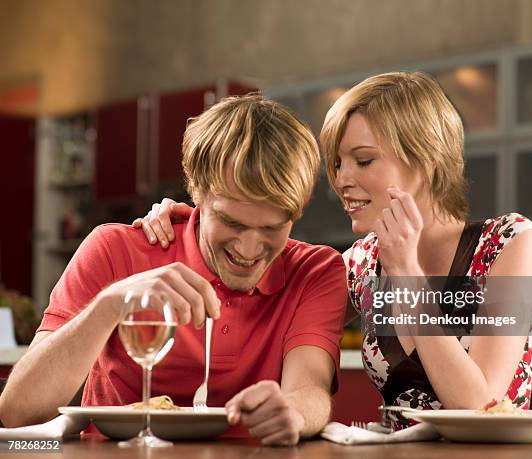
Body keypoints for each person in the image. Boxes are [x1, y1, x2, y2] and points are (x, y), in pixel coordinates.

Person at [132, 72, 532, 430]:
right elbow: (267, 279)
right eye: (337, 163)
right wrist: (203, 218)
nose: (341, 180)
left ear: (426, 159)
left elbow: (481, 407)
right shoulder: (361, 264)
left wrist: (406, 272)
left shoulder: (509, 242)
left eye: (363, 161)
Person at [0, 95, 348, 446]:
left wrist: (295, 413)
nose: (248, 248)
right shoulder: (114, 249)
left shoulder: (316, 272)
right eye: (230, 222)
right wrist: (111, 304)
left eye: (273, 227)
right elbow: (19, 411)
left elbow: (310, 388)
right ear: (196, 190)